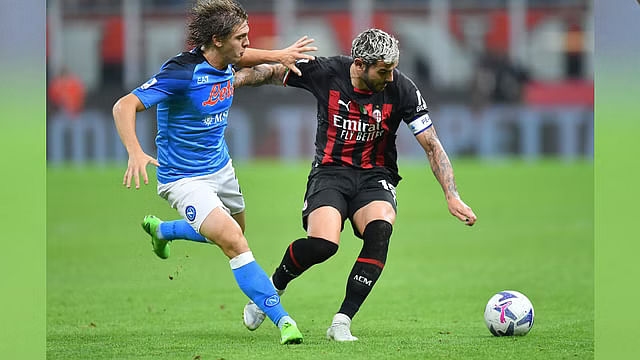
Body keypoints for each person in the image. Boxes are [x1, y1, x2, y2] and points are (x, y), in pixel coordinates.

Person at [234, 28, 477, 341]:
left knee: (380, 230)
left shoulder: (402, 88)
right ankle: (272, 289)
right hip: (330, 173)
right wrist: (233, 81)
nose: (390, 78)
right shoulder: (326, 72)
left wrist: (452, 195)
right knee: (324, 245)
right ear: (360, 64)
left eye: (392, 70)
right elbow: (271, 73)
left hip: (375, 177)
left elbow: (431, 144)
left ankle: (341, 321)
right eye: (384, 71)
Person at [112, 0, 317, 345]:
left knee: (232, 230)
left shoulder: (227, 56)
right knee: (235, 242)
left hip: (220, 168)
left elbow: (245, 57)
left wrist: (279, 55)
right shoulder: (180, 72)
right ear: (218, 39)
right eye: (241, 37)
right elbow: (124, 105)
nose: (247, 44)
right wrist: (135, 151)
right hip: (183, 178)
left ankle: (164, 231)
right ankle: (283, 321)